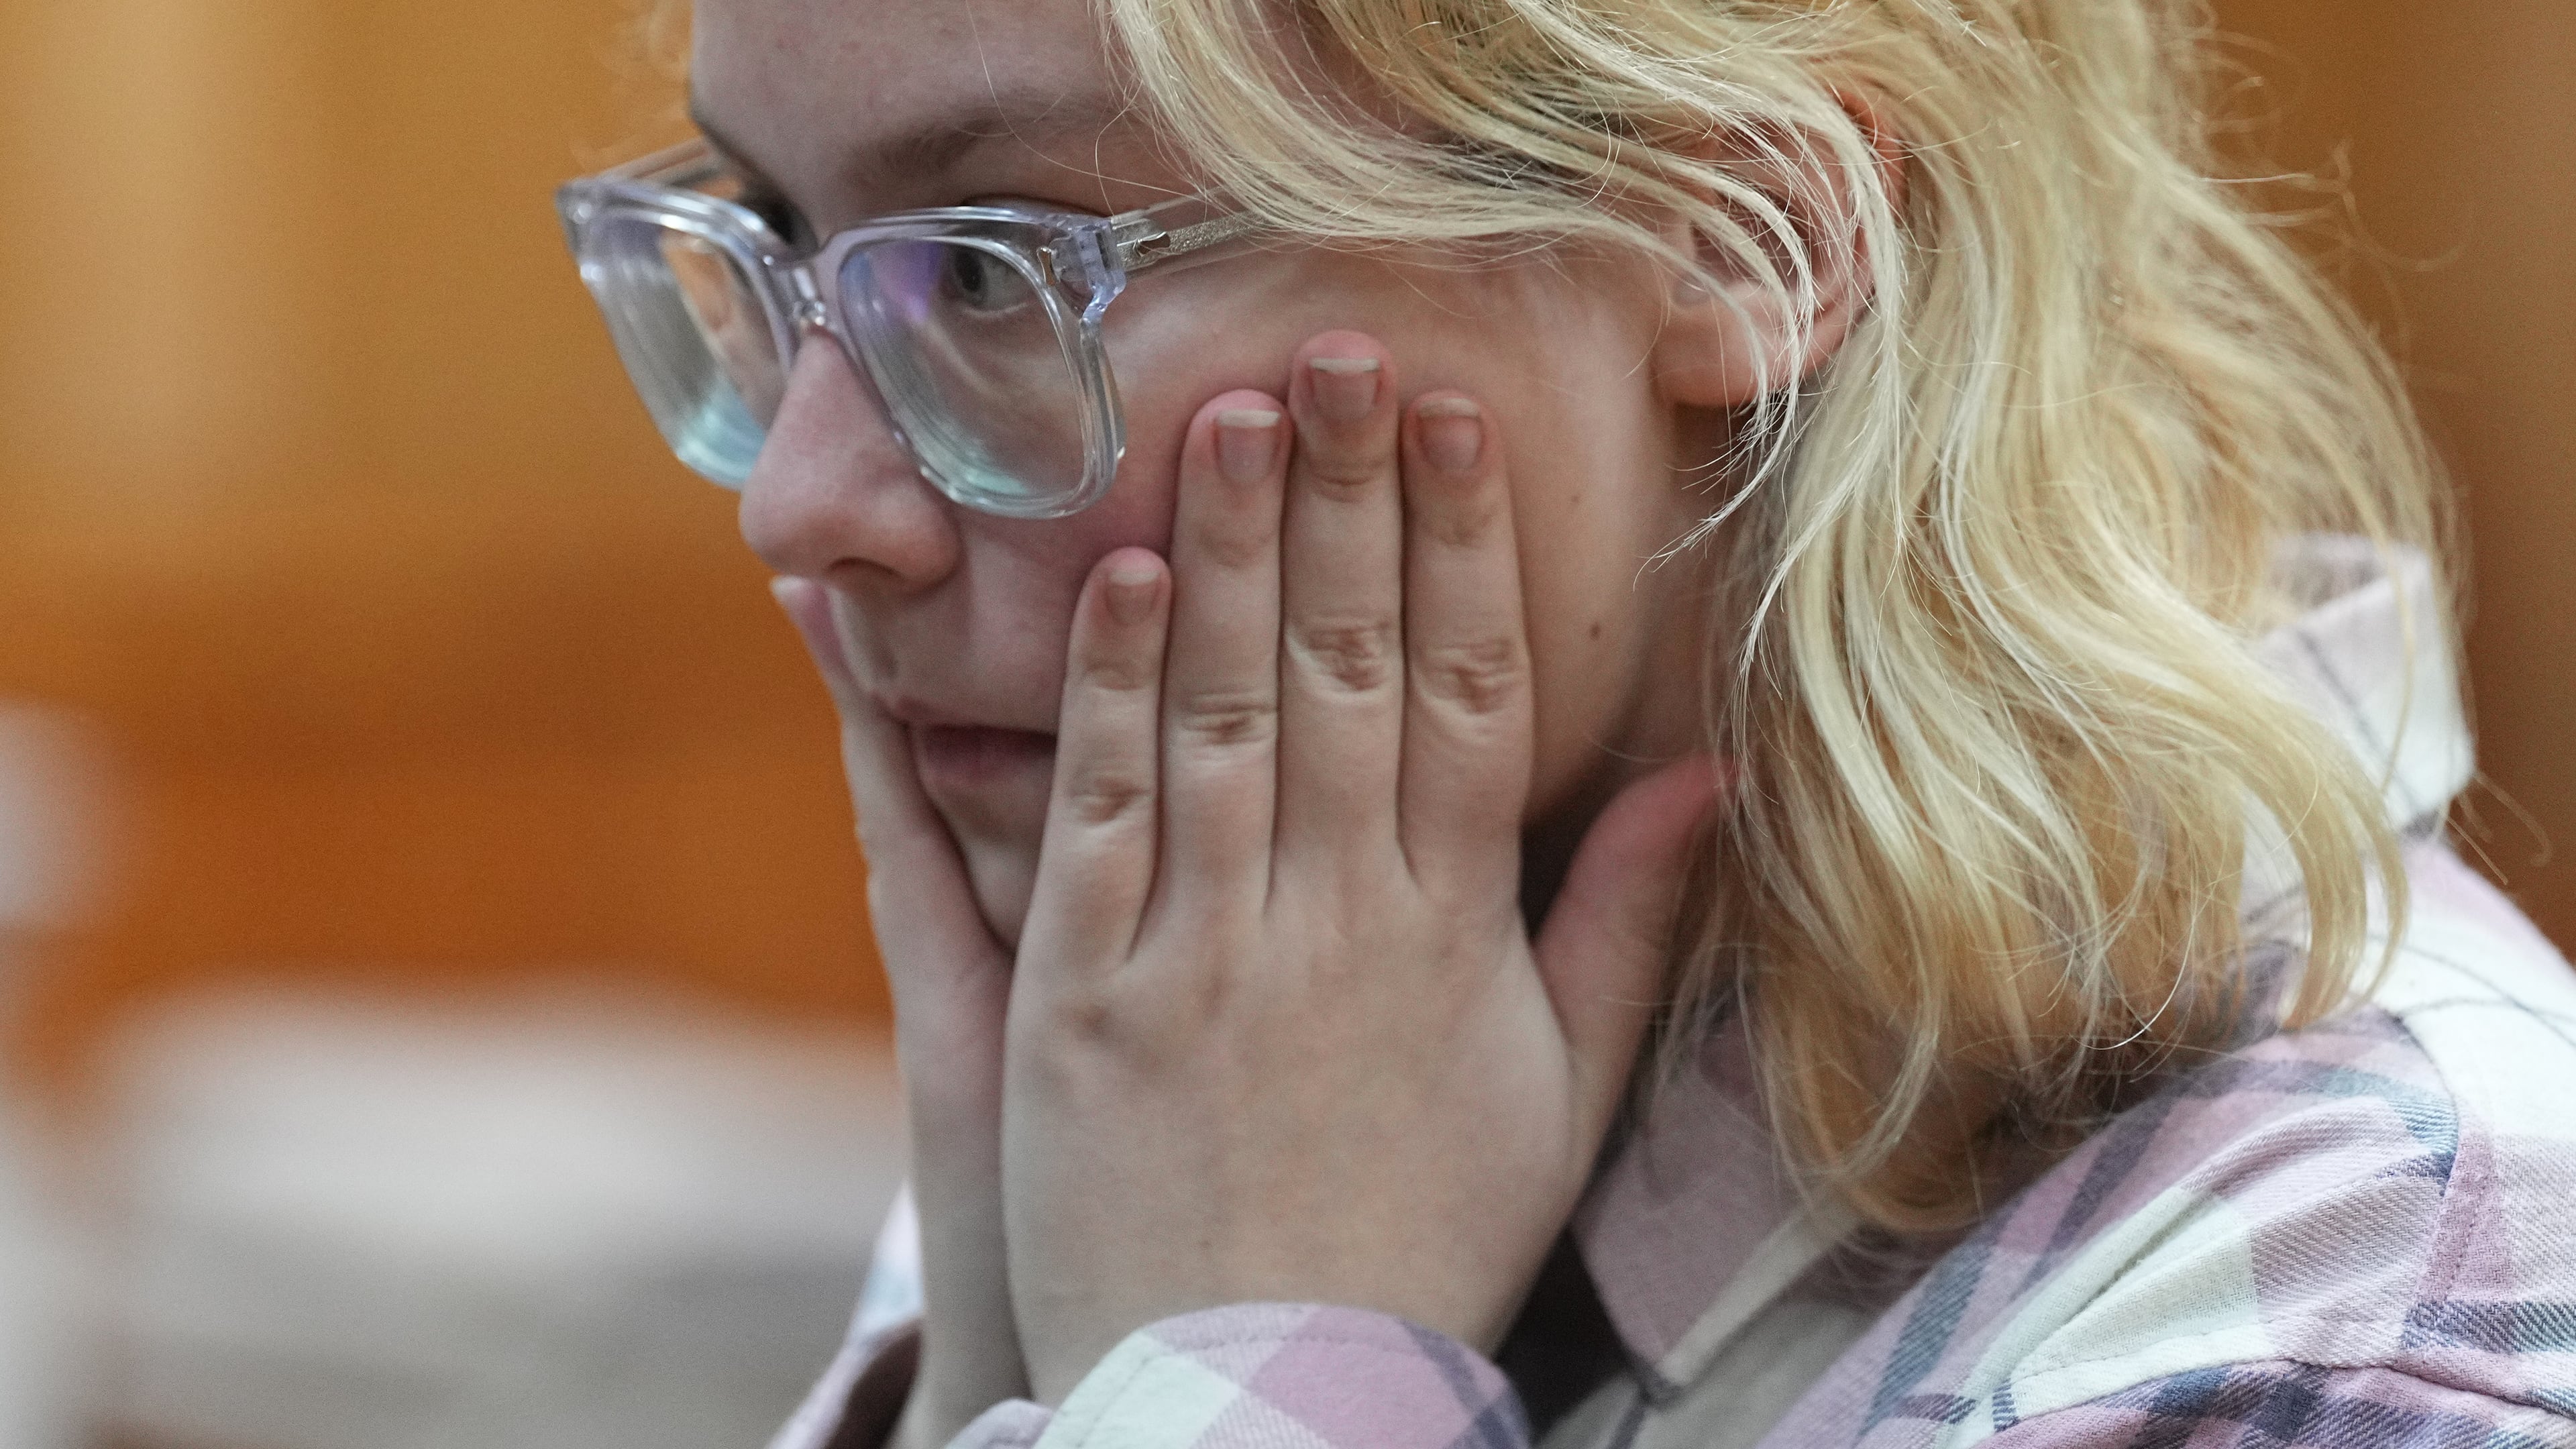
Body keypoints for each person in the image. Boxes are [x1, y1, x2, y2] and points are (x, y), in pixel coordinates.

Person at [553, 1, 2576, 1446]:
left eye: (997, 272)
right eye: (794, 252)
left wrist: (1253, 1370)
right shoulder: (1239, 1050)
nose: (800, 503)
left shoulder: (2380, 1285)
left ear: (1752, 232)